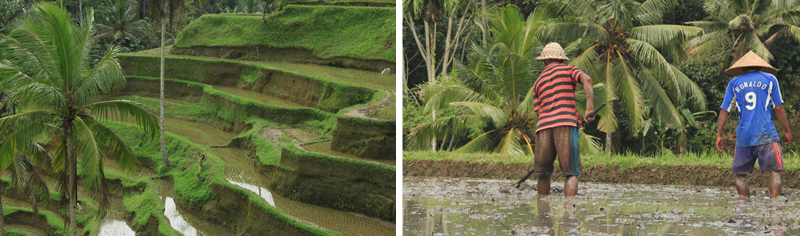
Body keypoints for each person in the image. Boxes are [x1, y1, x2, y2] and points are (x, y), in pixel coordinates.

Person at [715, 51, 792, 199]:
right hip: (766, 133)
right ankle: (774, 206)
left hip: (743, 135)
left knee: (740, 175)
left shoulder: (734, 83)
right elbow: (778, 107)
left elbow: (725, 110)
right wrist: (787, 130)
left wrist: (719, 135)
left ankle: (743, 206)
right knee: (776, 170)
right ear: (760, 66)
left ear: (742, 68)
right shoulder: (770, 79)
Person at [531, 42, 595, 197]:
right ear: (561, 59)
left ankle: (542, 211)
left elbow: (539, 112)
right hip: (565, 124)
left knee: (543, 174)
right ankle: (570, 211)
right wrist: (589, 109)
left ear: (544, 61)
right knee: (571, 172)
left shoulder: (537, 82)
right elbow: (587, 80)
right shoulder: (569, 70)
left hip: (543, 128)